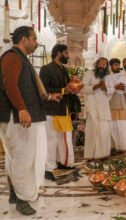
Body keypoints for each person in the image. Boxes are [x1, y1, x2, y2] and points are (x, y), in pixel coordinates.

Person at [0, 26, 61, 215]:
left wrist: (50, 97)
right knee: (24, 158)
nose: (36, 42)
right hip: (18, 117)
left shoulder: (20, 58)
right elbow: (9, 85)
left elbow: (29, 87)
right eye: (34, 39)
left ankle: (14, 193)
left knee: (17, 156)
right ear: (24, 39)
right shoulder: (11, 56)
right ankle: (22, 198)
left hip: (24, 115)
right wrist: (21, 108)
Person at [40, 44, 78, 182]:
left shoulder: (63, 69)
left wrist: (74, 87)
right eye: (66, 53)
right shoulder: (46, 69)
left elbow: (67, 87)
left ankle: (64, 163)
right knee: (51, 140)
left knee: (64, 139)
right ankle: (48, 168)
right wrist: (63, 90)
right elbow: (44, 90)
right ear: (58, 53)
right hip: (51, 110)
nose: (68, 56)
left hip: (64, 109)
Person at [82, 57, 115, 160]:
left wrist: (106, 88)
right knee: (92, 130)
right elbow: (83, 88)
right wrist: (96, 86)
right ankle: (90, 155)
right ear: (96, 64)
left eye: (104, 65)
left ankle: (102, 154)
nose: (102, 66)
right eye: (100, 64)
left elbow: (112, 89)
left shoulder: (108, 76)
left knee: (104, 130)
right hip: (93, 106)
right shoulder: (89, 73)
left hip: (104, 106)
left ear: (106, 66)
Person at [108, 58, 126, 152]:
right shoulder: (108, 77)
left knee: (122, 127)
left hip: (122, 103)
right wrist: (115, 88)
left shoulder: (122, 76)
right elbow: (106, 89)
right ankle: (113, 146)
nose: (117, 67)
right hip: (111, 103)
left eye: (118, 65)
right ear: (111, 66)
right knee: (112, 126)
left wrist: (123, 90)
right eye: (115, 65)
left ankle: (122, 147)